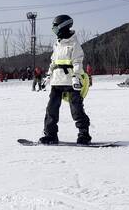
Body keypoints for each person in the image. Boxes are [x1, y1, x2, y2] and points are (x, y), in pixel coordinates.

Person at [39, 15, 91, 145]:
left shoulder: (74, 44)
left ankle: (84, 134)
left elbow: (78, 62)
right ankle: (50, 135)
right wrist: (48, 76)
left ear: (63, 26)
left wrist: (76, 77)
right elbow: (53, 62)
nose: (53, 29)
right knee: (51, 109)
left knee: (76, 109)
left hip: (71, 82)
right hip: (57, 82)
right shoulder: (57, 43)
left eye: (55, 26)